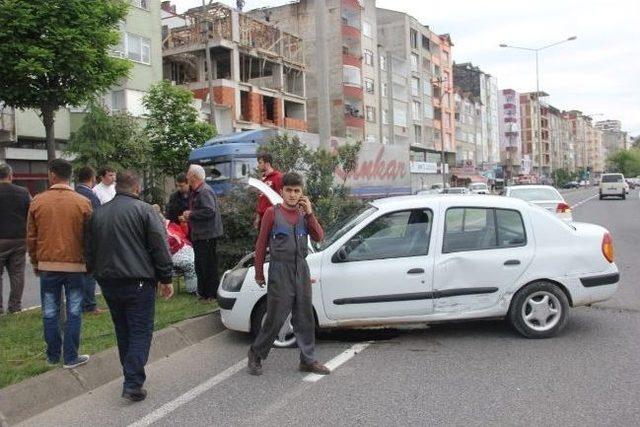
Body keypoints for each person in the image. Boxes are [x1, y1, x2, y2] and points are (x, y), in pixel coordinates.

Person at [85, 171, 173, 402]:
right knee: (140, 331)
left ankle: (130, 374)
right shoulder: (145, 211)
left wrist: (94, 272)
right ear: (136, 188)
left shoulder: (99, 213)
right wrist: (166, 278)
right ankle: (132, 382)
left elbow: (89, 249)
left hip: (108, 281)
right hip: (138, 281)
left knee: (123, 329)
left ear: (117, 186)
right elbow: (159, 246)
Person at [248, 172, 330, 376]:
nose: (292, 195)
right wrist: (259, 272)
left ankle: (307, 360)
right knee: (275, 317)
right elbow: (260, 245)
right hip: (280, 270)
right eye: (289, 190)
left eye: (297, 191)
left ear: (302, 193)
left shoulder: (304, 214)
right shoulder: (271, 213)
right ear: (281, 191)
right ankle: (256, 354)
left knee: (304, 317)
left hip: (301, 269)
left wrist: (310, 213)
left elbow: (319, 237)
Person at [27, 159, 92, 369]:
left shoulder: (37, 201)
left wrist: (36, 261)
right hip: (75, 266)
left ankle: (53, 355)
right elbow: (90, 236)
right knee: (74, 311)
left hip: (47, 265)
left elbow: (31, 236)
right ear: (69, 176)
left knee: (50, 311)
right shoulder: (82, 202)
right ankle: (71, 356)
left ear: (52, 175)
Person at [184, 164, 223, 302]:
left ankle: (211, 294)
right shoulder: (196, 191)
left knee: (208, 266)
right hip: (200, 234)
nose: (186, 176)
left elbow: (209, 211)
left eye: (188, 174)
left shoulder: (205, 191)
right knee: (200, 265)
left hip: (207, 234)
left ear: (194, 176)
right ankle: (203, 293)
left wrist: (191, 214)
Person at [0, 163, 31, 314]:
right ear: (11, 176)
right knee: (17, 273)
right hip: (19, 238)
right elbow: (30, 214)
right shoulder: (23, 192)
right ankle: (15, 307)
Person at [74, 166, 103, 314]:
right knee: (89, 272)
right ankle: (89, 305)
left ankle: (82, 303)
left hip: (75, 239)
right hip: (88, 240)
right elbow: (97, 219)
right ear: (92, 178)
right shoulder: (90, 196)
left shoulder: (74, 193)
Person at [254, 153, 283, 230]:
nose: (258, 166)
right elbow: (261, 200)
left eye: (260, 163)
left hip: (273, 218)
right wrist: (258, 217)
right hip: (263, 218)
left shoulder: (278, 177)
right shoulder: (263, 179)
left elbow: (281, 199)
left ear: (267, 164)